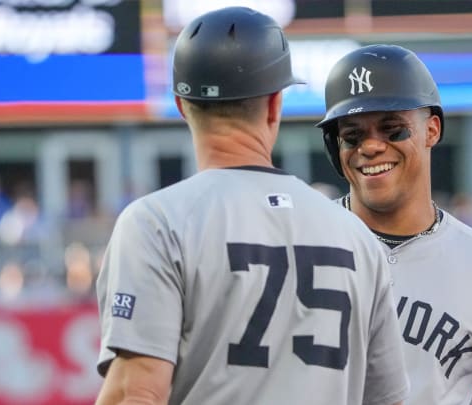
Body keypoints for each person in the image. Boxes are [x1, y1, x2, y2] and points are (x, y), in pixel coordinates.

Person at [95, 8, 409, 405]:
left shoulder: (157, 222)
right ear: (275, 104)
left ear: (181, 104)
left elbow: (136, 394)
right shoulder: (355, 235)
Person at [316, 44, 472, 405]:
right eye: (352, 135)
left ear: (431, 130)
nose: (370, 146)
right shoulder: (299, 248)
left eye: (392, 130)